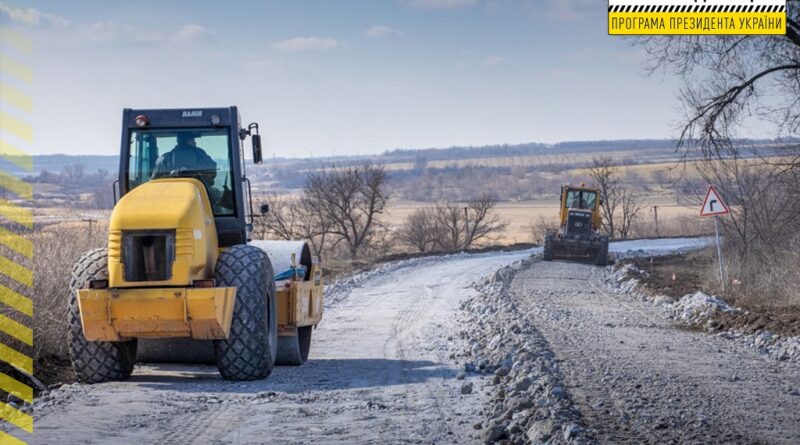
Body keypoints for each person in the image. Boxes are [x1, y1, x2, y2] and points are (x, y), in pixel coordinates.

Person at [151, 132, 217, 187]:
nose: (195, 142)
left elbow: (154, 180)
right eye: (192, 140)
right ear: (185, 140)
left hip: (168, 194)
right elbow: (212, 172)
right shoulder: (200, 155)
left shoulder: (164, 158)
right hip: (198, 192)